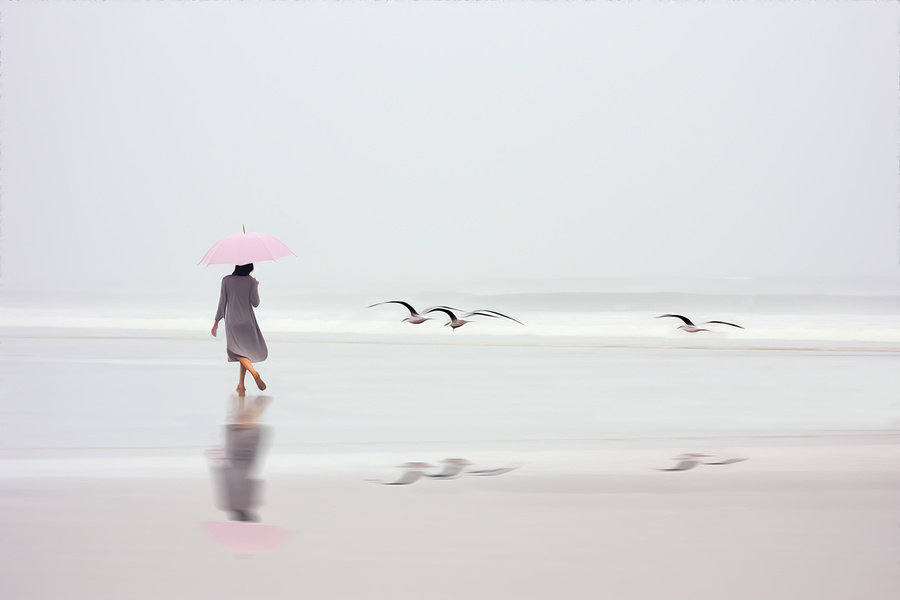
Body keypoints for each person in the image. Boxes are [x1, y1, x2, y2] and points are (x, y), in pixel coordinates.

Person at [211, 263, 268, 395]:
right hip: (248, 320)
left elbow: (222, 302)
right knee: (243, 352)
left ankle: (253, 373)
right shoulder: (251, 281)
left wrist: (216, 321)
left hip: (232, 321)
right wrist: (255, 286)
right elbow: (255, 303)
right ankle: (241, 385)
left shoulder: (226, 280)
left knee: (236, 351)